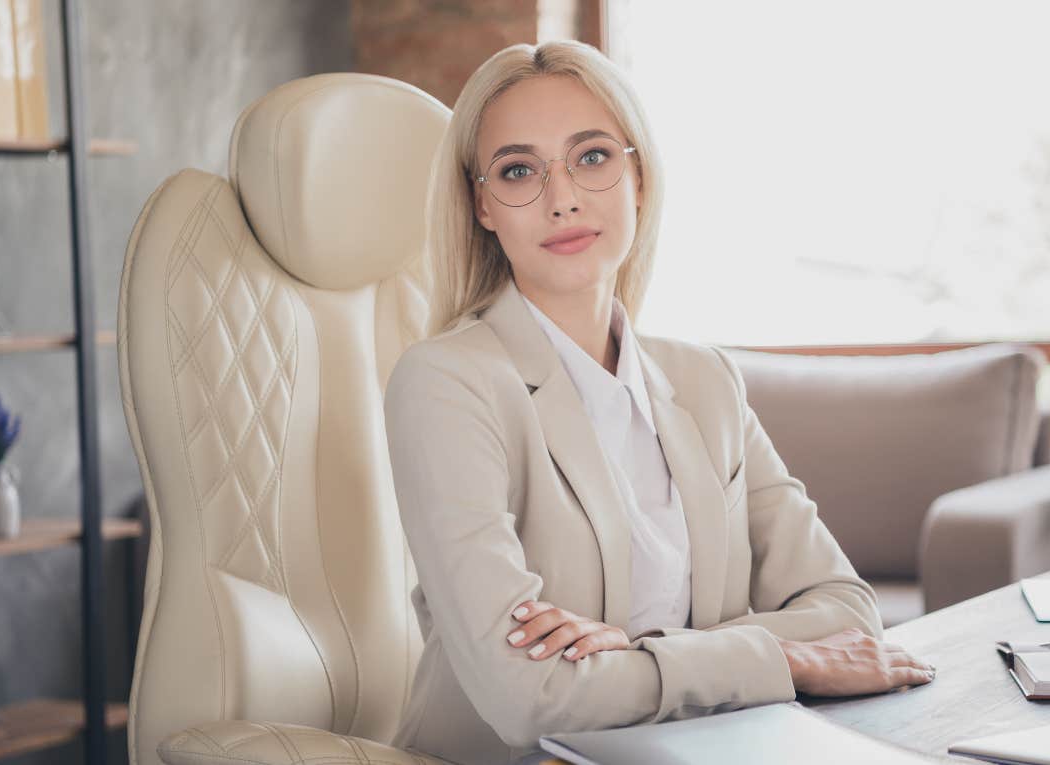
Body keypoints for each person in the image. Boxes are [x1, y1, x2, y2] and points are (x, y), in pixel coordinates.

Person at [384, 39, 935, 765]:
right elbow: (527, 696)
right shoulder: (446, 382)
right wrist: (784, 659)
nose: (564, 197)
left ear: (638, 176)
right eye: (519, 170)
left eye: (592, 156)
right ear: (482, 204)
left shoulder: (706, 380)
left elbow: (843, 607)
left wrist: (644, 653)